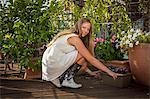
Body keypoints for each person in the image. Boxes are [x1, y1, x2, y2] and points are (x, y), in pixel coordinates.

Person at [42, 18, 118, 89]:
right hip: (53, 64)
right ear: (78, 26)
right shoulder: (75, 39)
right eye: (83, 27)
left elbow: (80, 61)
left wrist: (90, 72)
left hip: (49, 66)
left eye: (88, 29)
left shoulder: (69, 34)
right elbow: (91, 59)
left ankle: (57, 77)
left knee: (82, 56)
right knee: (83, 54)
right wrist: (109, 72)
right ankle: (67, 79)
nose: (86, 31)